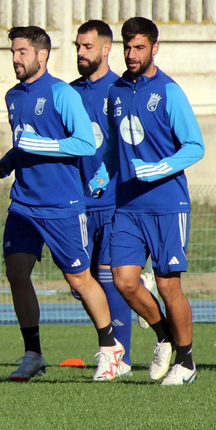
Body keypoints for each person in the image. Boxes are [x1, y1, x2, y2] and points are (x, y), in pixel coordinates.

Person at [0, 26, 125, 382]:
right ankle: (33, 354)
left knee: (79, 280)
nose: (15, 59)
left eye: (22, 52)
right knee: (16, 273)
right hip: (23, 203)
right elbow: (26, 141)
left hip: (61, 205)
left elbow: (84, 143)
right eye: (13, 52)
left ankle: (110, 348)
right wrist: (11, 159)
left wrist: (42, 147)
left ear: (42, 55)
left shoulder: (62, 94)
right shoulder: (12, 96)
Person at [89, 18, 204, 385]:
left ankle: (185, 364)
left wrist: (157, 169)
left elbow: (195, 147)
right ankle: (164, 336)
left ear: (155, 48)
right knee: (124, 281)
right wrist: (103, 175)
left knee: (170, 286)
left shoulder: (170, 91)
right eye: (128, 47)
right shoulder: (117, 91)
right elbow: (112, 146)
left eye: (139, 48)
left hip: (167, 205)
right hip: (126, 206)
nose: (132, 54)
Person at [70, 19, 132, 357]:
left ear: (106, 49)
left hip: (113, 203)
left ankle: (118, 356)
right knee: (83, 285)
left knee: (109, 280)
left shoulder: (121, 90)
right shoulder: (68, 92)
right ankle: (111, 348)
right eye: (77, 46)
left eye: (87, 46)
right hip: (77, 205)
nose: (80, 52)